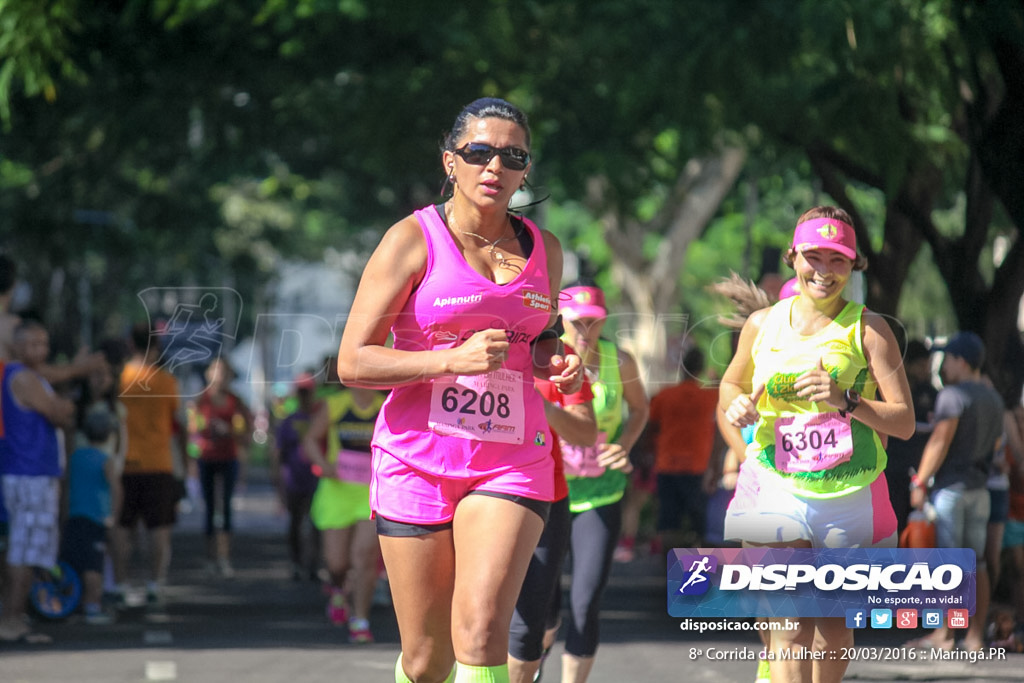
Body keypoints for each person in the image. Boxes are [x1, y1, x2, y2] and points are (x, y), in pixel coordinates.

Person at [337, 97, 581, 683]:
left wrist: (557, 361)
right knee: (427, 661)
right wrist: (450, 360)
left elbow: (540, 335)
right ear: (451, 161)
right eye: (479, 152)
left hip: (511, 458)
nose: (495, 166)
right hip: (416, 460)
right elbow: (352, 361)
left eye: (512, 155)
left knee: (479, 628)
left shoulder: (545, 248)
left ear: (526, 169)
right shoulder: (411, 238)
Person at [720, 206, 914, 683]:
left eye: (838, 261)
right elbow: (731, 386)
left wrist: (847, 400)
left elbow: (905, 421)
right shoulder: (761, 324)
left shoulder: (870, 330)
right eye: (814, 257)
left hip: (850, 496)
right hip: (775, 485)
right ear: (793, 257)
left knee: (831, 629)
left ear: (853, 267)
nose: (824, 272)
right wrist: (738, 406)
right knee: (789, 628)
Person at [551, 281, 649, 683]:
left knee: (585, 600)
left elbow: (640, 409)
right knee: (542, 603)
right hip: (547, 492)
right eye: (576, 322)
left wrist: (624, 446)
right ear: (560, 321)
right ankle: (530, 669)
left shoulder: (619, 361)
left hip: (601, 491)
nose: (584, 332)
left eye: (593, 323)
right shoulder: (543, 357)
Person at [906, 331, 1003, 652]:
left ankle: (944, 634)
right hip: (980, 490)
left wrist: (920, 481)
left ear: (961, 361)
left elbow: (939, 443)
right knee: (979, 564)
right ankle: (974, 637)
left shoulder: (952, 396)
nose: (944, 365)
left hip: (951, 491)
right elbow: (997, 443)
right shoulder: (993, 397)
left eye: (948, 358)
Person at [508, 349, 596, 683]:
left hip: (543, 495)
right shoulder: (461, 338)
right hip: (465, 492)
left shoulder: (559, 358)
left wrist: (540, 406)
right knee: (477, 622)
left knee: (531, 627)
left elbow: (586, 433)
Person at [0, 320, 76, 643]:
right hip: (29, 475)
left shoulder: (30, 376)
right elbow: (58, 414)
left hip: (32, 473)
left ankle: (15, 616)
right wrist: (68, 405)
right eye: (32, 344)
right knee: (24, 551)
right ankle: (11, 620)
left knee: (24, 548)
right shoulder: (22, 377)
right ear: (16, 347)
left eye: (44, 343)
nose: (39, 350)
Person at [302, 384, 386, 644]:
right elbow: (310, 440)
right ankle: (338, 589)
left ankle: (360, 619)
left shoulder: (385, 403)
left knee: (364, 557)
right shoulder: (336, 404)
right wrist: (323, 464)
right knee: (337, 563)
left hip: (370, 492)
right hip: (337, 491)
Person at [115, 323, 189, 607]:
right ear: (155, 347)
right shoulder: (166, 381)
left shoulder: (120, 379)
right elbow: (179, 425)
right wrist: (184, 461)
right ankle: (154, 583)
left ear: (130, 344)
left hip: (124, 464)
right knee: (159, 529)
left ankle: (120, 584)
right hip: (159, 463)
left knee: (122, 527)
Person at [647, 346, 721, 549]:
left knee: (669, 523)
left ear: (682, 368)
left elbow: (650, 427)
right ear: (701, 369)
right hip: (697, 466)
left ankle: (667, 572)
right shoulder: (710, 396)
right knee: (700, 524)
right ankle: (703, 570)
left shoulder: (664, 395)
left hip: (667, 465)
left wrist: (647, 458)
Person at [192, 358, 252, 577]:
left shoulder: (236, 401)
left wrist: (230, 431)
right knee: (208, 508)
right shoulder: (200, 400)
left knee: (225, 506)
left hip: (229, 457)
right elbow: (191, 429)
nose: (218, 375)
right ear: (208, 374)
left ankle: (224, 558)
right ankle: (210, 557)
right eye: (215, 370)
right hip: (206, 457)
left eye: (223, 371)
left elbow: (247, 433)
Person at [60, 411, 122, 624]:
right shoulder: (106, 461)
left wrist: (62, 515)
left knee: (73, 563)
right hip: (95, 518)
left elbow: (65, 488)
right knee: (93, 566)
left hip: (74, 517)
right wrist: (113, 516)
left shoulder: (75, 457)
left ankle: (71, 605)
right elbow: (115, 489)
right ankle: (92, 606)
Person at [270, 372, 322, 581]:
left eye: (307, 392)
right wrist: (277, 481)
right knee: (295, 522)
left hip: (316, 479)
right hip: (293, 479)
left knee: (316, 524)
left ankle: (313, 564)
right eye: (301, 392)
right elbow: (278, 453)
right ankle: (296, 562)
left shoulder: (320, 417)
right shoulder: (288, 421)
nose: (304, 396)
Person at [884, 338, 937, 534]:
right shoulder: (889, 390)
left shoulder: (930, 393)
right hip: (891, 469)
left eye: (928, 365)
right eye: (921, 365)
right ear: (906, 364)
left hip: (918, 470)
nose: (925, 371)